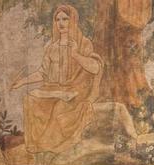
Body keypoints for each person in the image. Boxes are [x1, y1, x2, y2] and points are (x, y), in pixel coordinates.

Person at [10, 4, 103, 156]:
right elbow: (43, 73)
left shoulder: (83, 43)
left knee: (61, 107)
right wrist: (22, 82)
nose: (61, 23)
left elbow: (95, 68)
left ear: (72, 20)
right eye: (57, 19)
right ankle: (37, 147)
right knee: (29, 99)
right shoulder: (51, 47)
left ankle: (56, 148)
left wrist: (75, 55)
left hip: (75, 90)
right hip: (53, 89)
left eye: (65, 19)